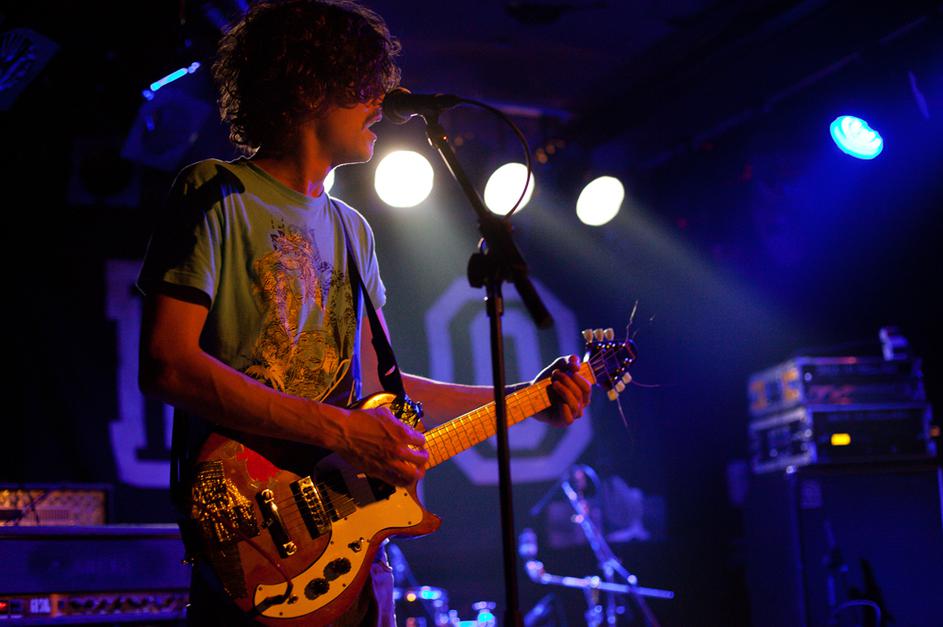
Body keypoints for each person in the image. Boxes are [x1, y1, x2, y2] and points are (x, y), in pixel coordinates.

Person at [137, 1, 591, 624]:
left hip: (351, 555)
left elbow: (379, 388)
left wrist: (524, 397)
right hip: (256, 532)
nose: (380, 100)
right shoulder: (215, 191)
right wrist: (343, 432)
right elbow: (167, 365)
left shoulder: (353, 229)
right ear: (309, 87)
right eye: (362, 83)